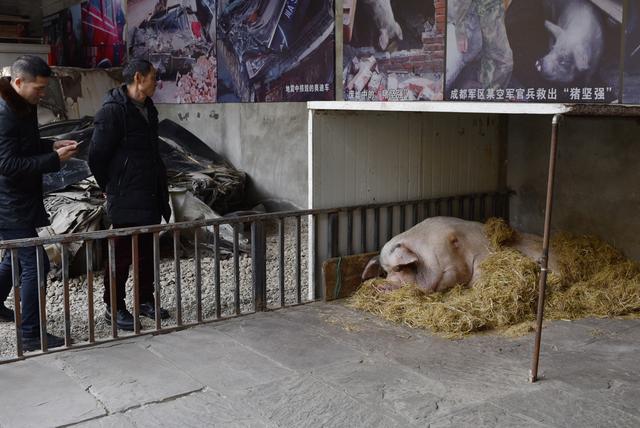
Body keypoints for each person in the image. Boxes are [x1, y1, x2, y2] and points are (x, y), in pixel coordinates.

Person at [0, 55, 78, 351]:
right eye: (39, 88)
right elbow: (6, 163)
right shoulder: (4, 112)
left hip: (19, 198)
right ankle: (31, 334)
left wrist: (51, 145)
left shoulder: (22, 103)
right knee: (35, 263)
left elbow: (25, 146)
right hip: (8, 202)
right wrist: (53, 160)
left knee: (13, 257)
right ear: (18, 82)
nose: (42, 94)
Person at [89, 59, 171, 331]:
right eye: (153, 77)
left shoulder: (148, 108)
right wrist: (112, 185)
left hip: (149, 193)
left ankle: (145, 300)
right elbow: (96, 157)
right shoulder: (112, 112)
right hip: (125, 196)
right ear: (139, 78)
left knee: (147, 252)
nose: (156, 82)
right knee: (121, 255)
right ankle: (114, 308)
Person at [451, 0, 513, 90]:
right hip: (486, 12)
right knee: (504, 61)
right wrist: (460, 31)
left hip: (495, 11)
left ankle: (488, 91)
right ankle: (489, 94)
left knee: (494, 61)